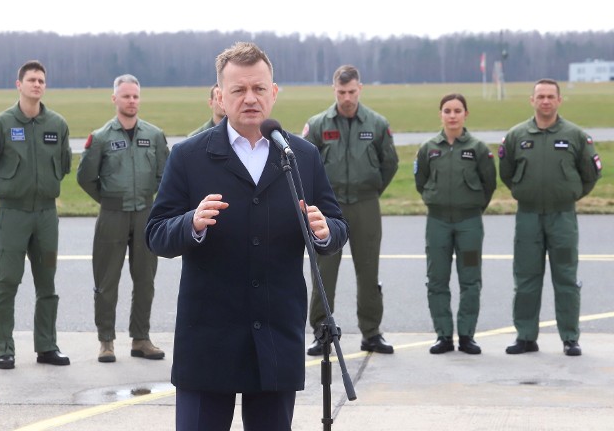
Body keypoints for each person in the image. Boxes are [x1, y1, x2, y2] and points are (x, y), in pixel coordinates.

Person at [145, 42, 348, 431]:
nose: (250, 98)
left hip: (275, 336)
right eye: (238, 90)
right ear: (220, 97)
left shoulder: (302, 156)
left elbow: (336, 225)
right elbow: (156, 234)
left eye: (259, 89)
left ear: (274, 93)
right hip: (208, 340)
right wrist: (191, 223)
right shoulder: (189, 156)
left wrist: (325, 232)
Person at [0, 60, 72, 370]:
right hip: (14, 215)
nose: (37, 85)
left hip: (46, 216)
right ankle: (5, 347)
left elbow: (65, 164)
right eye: (31, 79)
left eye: (41, 80)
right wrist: (10, 192)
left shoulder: (57, 125)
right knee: (7, 281)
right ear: (18, 84)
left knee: (48, 284)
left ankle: (46, 346)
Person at [499, 78, 602, 356]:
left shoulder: (576, 136)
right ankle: (525, 337)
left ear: (559, 100)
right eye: (540, 96)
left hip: (563, 217)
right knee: (526, 278)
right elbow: (506, 173)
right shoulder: (516, 135)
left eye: (550, 96)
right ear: (531, 100)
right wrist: (525, 191)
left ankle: (570, 337)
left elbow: (591, 174)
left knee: (566, 278)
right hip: (528, 216)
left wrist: (570, 194)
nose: (545, 101)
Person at [302, 64, 398, 356]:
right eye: (342, 92)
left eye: (352, 91)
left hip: (366, 204)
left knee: (368, 271)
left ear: (360, 89)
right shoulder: (318, 124)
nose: (347, 97)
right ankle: (322, 332)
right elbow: (304, 164)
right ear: (334, 90)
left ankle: (371, 332)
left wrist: (371, 190)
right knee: (324, 271)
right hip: (329, 208)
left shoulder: (377, 124)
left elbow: (389, 163)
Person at [77, 74, 169, 363]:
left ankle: (140, 338)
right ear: (114, 99)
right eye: (126, 96)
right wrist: (108, 200)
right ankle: (106, 341)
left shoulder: (154, 136)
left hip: (145, 213)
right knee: (106, 281)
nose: (131, 101)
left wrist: (148, 199)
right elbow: (86, 177)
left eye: (135, 96)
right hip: (112, 215)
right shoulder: (101, 137)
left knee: (145, 280)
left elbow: (164, 176)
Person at [414, 93, 496, 355]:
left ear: (465, 114)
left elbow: (489, 184)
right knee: (437, 279)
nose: (452, 115)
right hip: (437, 223)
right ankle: (444, 336)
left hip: (469, 224)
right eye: (447, 110)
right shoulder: (429, 148)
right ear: (441, 114)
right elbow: (421, 181)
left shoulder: (479, 149)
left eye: (457, 111)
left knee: (470, 280)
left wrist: (472, 208)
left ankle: (467, 336)